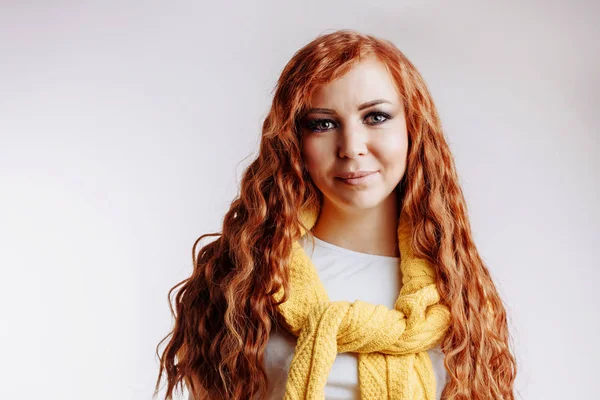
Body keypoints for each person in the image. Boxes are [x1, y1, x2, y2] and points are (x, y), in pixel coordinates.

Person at [154, 29, 517, 400]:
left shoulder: (457, 282)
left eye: (376, 117)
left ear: (413, 128)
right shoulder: (244, 274)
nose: (351, 148)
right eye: (323, 123)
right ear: (294, 140)